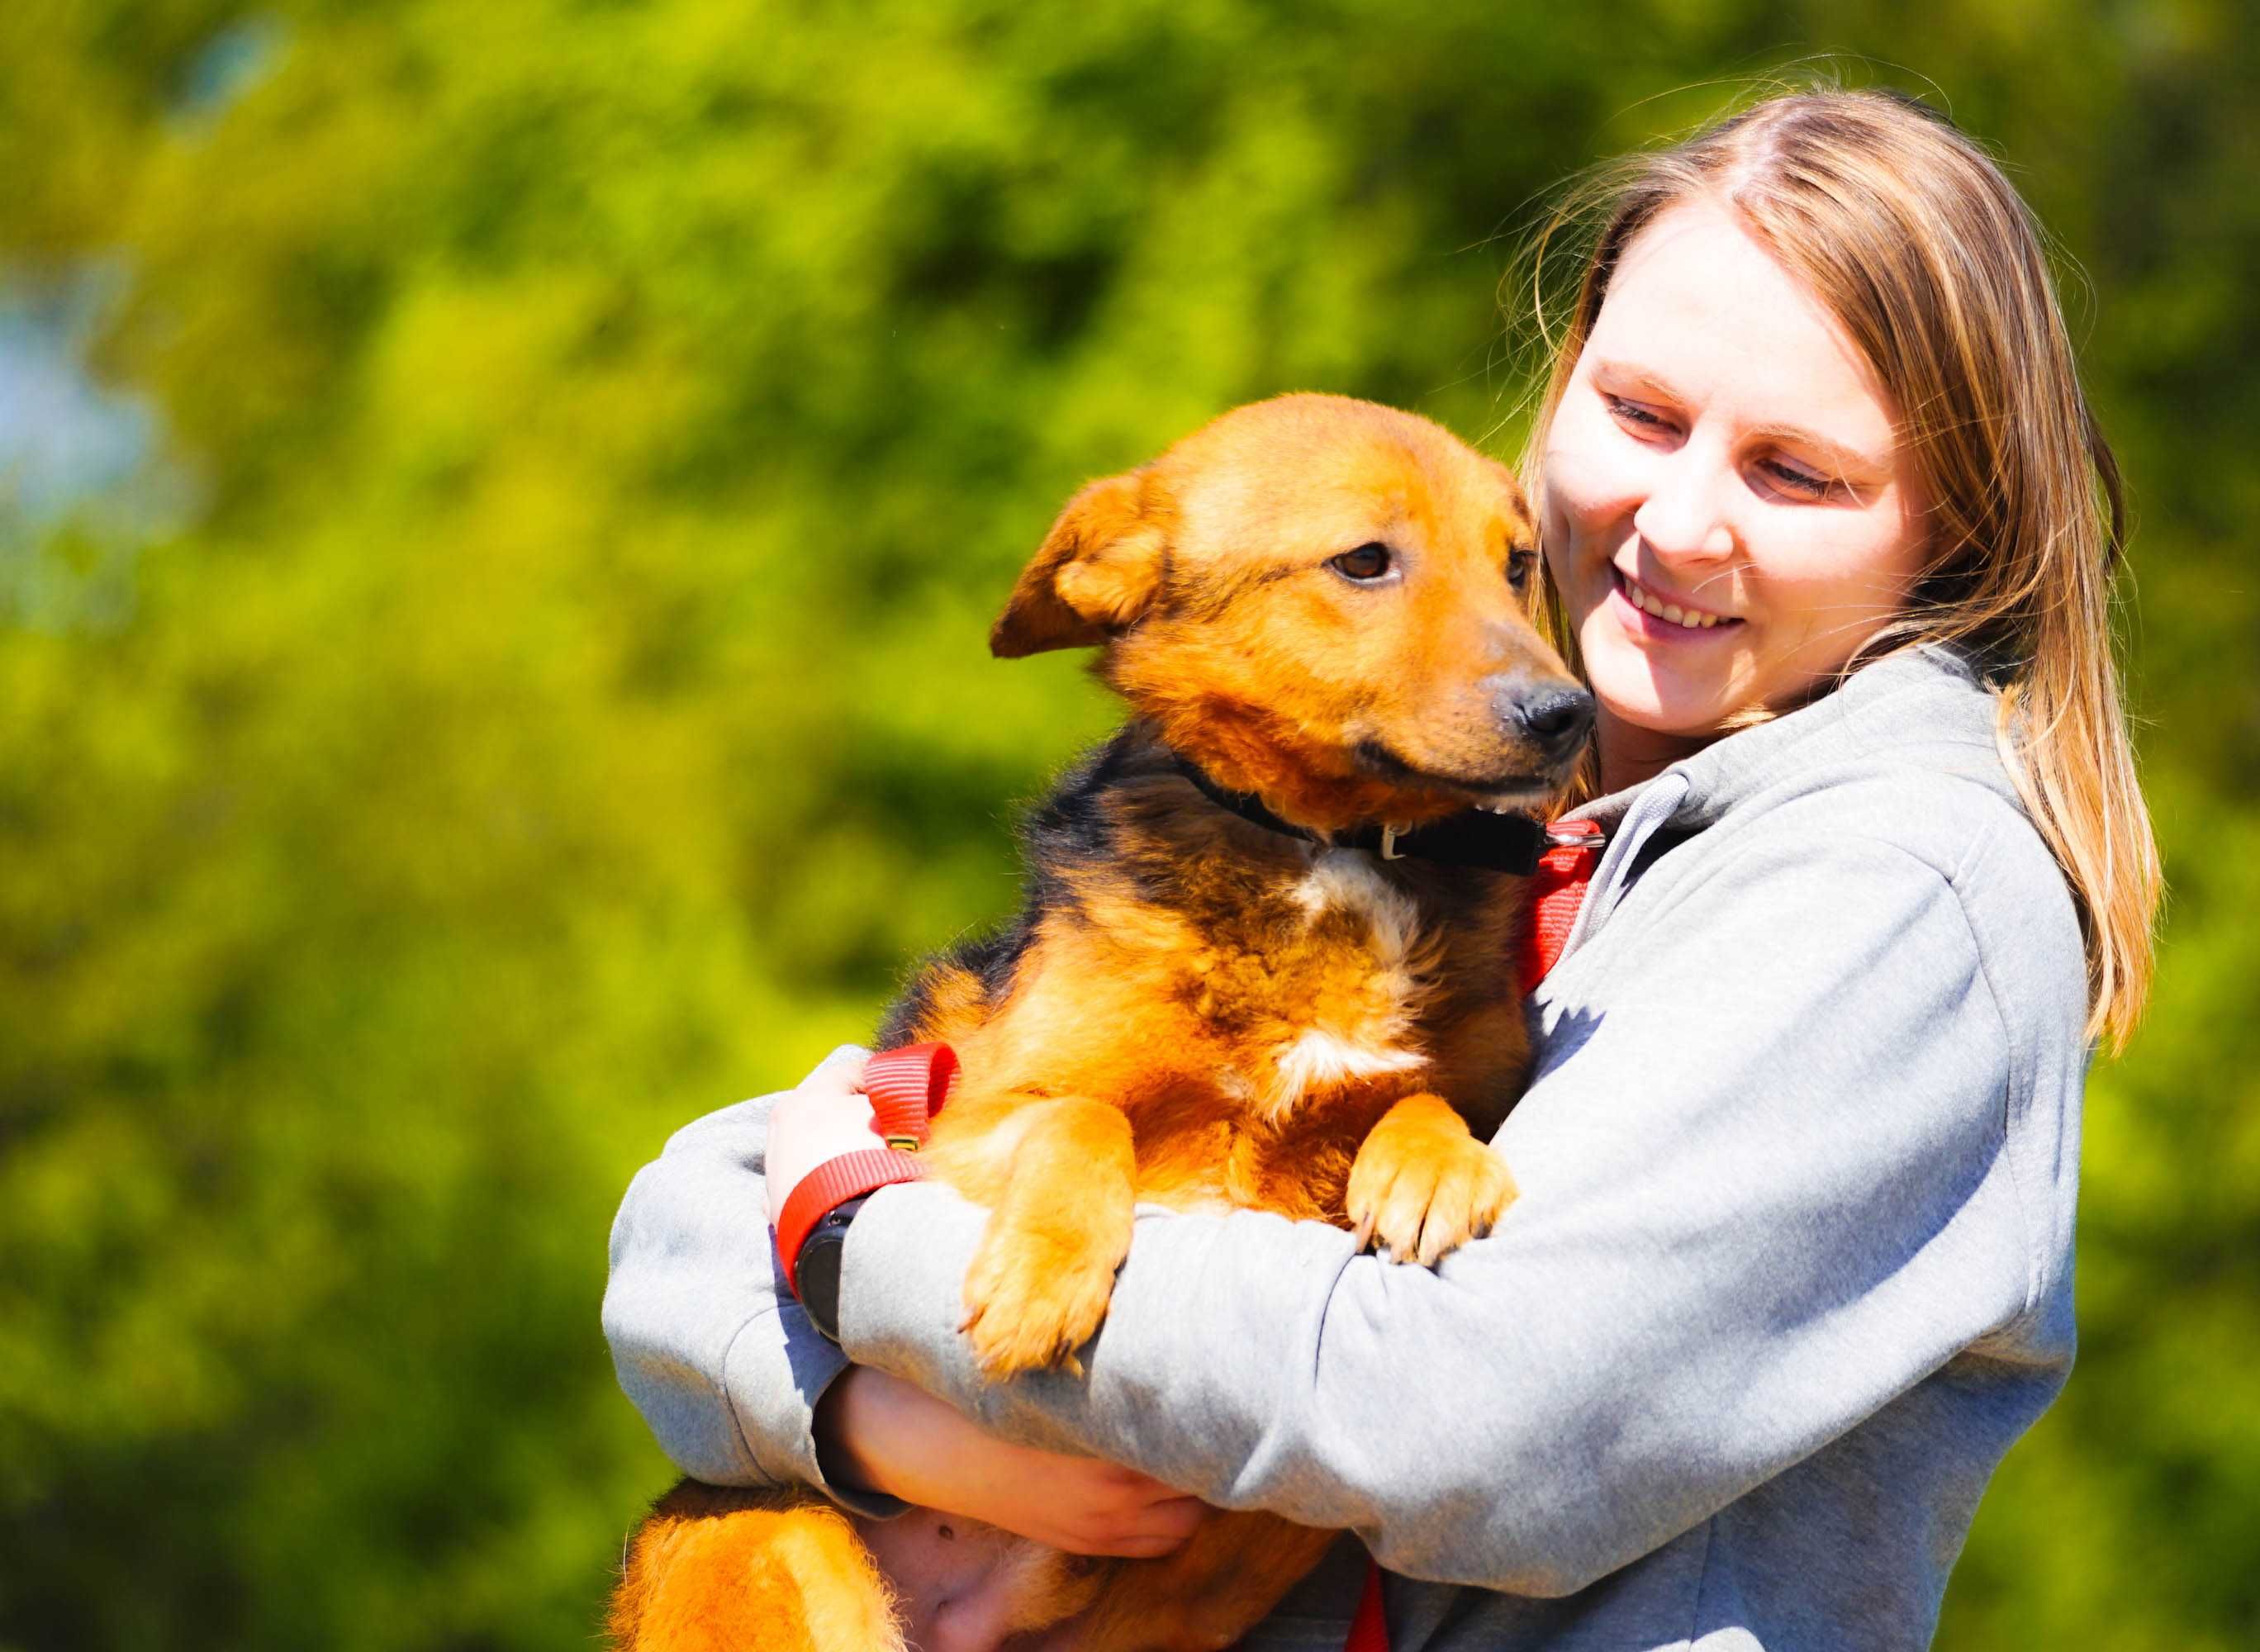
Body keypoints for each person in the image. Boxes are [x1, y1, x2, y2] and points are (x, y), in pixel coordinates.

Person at [603, 86, 2160, 1650]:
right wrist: (862, 1403)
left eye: (1797, 475)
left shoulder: (1894, 895)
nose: (1681, 523)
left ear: (1953, 527)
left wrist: (856, 1243)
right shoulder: (1458, 813)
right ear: (1555, 402)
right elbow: (695, 1226)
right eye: (1641, 413)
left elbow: (1468, 1421)